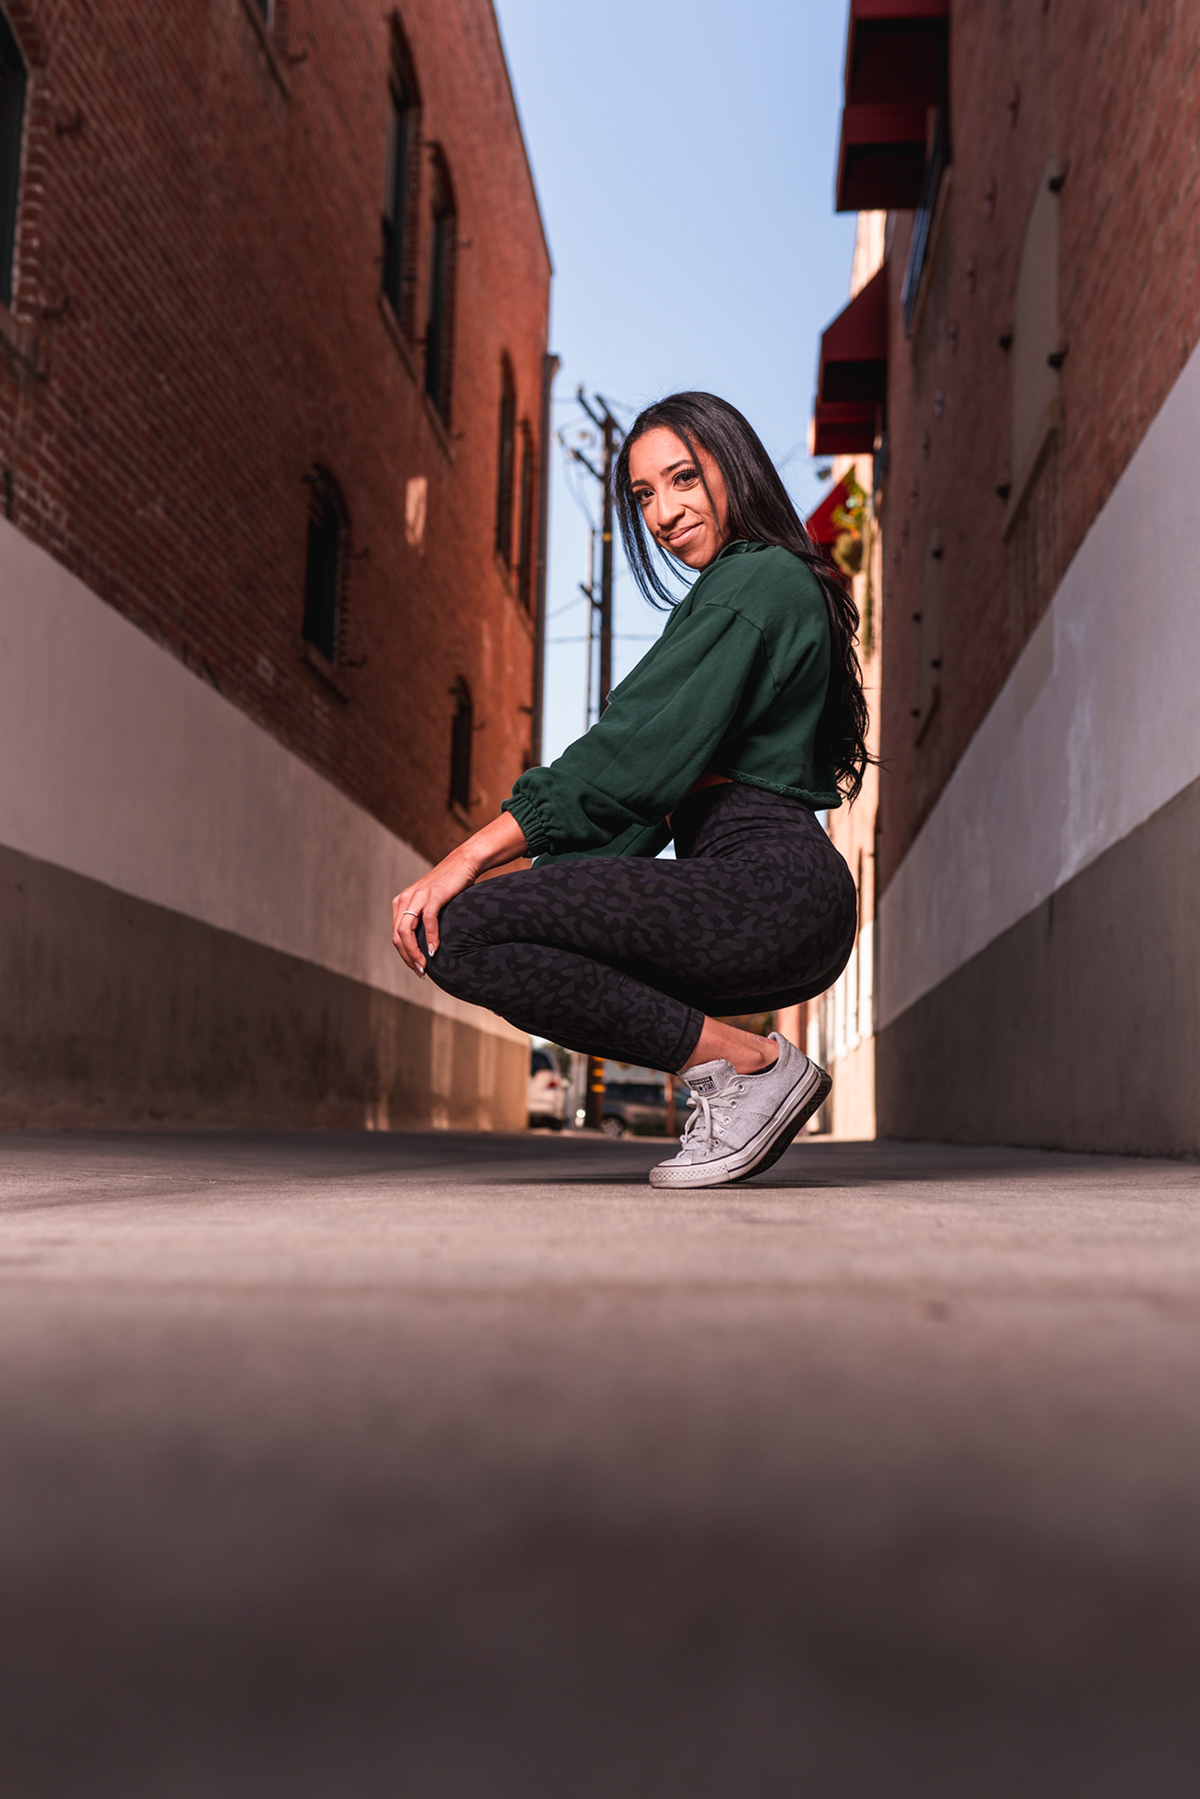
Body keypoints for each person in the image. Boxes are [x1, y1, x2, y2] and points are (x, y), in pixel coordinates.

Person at [393, 392, 866, 1187]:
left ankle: (749, 1066)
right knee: (491, 941)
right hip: (772, 895)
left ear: (734, 465)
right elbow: (641, 804)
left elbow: (628, 758)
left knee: (460, 929)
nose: (663, 513)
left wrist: (467, 858)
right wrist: (547, 900)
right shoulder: (737, 591)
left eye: (683, 478)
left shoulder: (758, 579)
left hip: (770, 885)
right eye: (644, 494)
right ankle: (740, 1068)